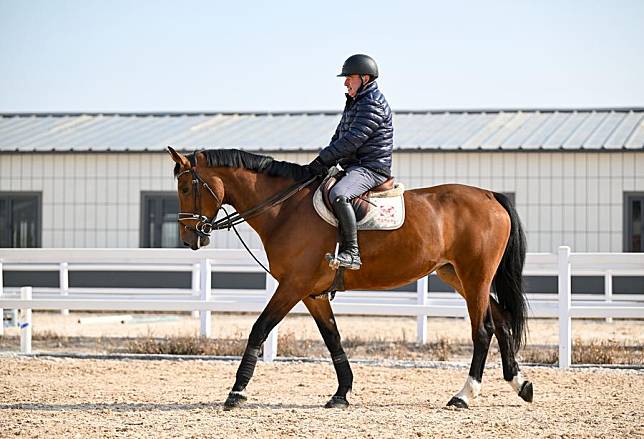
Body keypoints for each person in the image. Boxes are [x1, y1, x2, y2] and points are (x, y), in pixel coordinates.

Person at [308, 54, 393, 270]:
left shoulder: (372, 103)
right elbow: (339, 136)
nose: (345, 82)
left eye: (349, 77)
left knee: (339, 194)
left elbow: (353, 140)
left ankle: (352, 252)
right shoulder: (356, 102)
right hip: (354, 166)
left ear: (365, 78)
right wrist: (323, 161)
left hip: (370, 168)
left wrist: (325, 159)